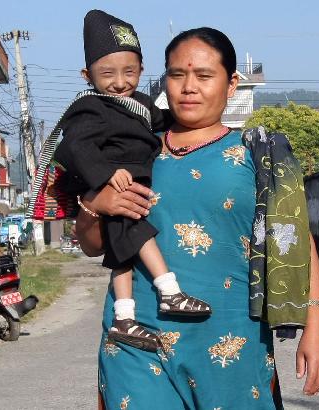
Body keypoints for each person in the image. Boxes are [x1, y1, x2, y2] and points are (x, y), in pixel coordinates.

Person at [76, 27, 319, 409]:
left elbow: (295, 241)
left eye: (204, 76)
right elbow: (92, 244)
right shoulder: (128, 148)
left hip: (231, 342)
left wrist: (317, 326)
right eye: (177, 75)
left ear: (231, 85)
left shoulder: (258, 155)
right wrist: (98, 205)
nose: (188, 87)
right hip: (136, 338)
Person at [53, 10, 211, 353]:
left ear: (141, 69)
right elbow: (74, 145)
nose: (120, 82)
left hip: (131, 186)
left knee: (122, 253)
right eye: (107, 74)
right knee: (137, 234)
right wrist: (105, 178)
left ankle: (124, 319)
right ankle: (169, 291)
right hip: (115, 187)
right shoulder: (90, 107)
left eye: (130, 72)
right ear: (87, 74)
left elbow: (167, 118)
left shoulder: (140, 103)